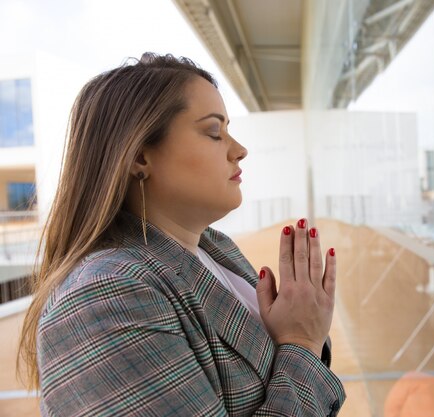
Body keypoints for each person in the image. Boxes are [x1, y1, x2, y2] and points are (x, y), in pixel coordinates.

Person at [18, 53, 345, 416]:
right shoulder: (102, 297)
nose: (239, 150)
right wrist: (302, 341)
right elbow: (298, 352)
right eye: (214, 132)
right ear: (139, 156)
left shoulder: (216, 251)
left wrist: (302, 329)